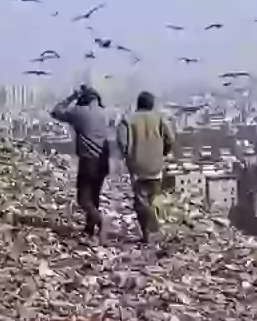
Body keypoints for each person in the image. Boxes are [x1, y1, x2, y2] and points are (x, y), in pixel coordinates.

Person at [51, 85, 113, 241]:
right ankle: (90, 229)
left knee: (83, 199)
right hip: (104, 161)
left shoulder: (80, 112)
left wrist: (72, 97)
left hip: (89, 161)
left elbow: (56, 111)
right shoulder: (105, 113)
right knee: (94, 197)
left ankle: (100, 220)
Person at [119, 91, 175, 243]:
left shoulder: (128, 120)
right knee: (154, 199)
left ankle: (147, 234)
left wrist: (128, 157)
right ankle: (155, 229)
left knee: (141, 203)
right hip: (156, 167)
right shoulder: (160, 119)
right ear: (152, 105)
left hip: (137, 168)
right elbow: (170, 139)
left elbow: (122, 143)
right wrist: (163, 153)